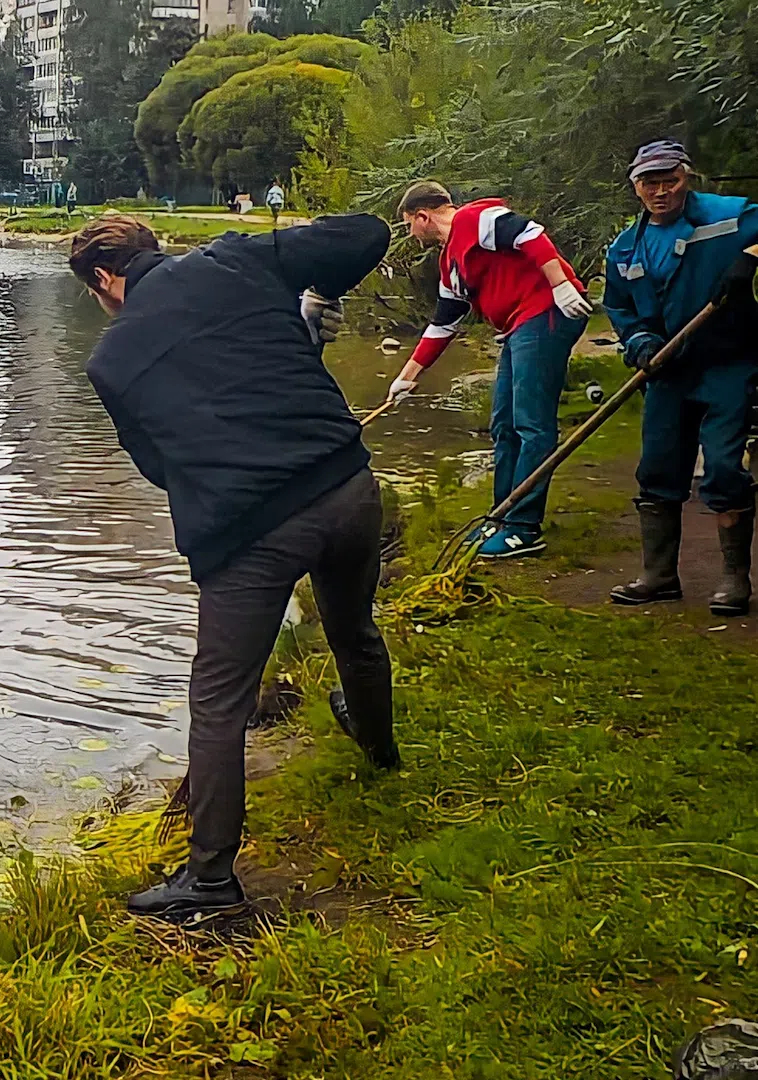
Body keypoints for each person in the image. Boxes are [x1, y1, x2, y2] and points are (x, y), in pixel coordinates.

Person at [70, 213, 399, 922]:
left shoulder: (112, 361)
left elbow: (156, 465)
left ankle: (212, 881)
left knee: (219, 701)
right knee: (353, 630)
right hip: (347, 488)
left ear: (103, 279)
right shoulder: (233, 260)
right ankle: (381, 754)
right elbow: (368, 233)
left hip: (250, 533)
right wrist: (313, 296)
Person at [387, 181, 594, 558]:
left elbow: (530, 236)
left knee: (531, 423)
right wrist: (407, 377)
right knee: (503, 423)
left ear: (422, 216)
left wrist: (561, 284)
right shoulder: (449, 262)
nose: (410, 234)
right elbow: (443, 324)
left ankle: (524, 528)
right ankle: (501, 515)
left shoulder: (474, 218)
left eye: (408, 225)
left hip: (545, 311)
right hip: (518, 326)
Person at [601, 140, 758, 612]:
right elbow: (622, 309)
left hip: (728, 361)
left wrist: (749, 256)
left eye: (670, 179)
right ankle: (659, 574)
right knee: (659, 468)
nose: (661, 190)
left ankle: (735, 580)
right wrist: (641, 344)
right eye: (650, 182)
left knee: (726, 467)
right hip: (668, 373)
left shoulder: (728, 216)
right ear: (636, 188)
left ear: (686, 177)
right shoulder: (626, 248)